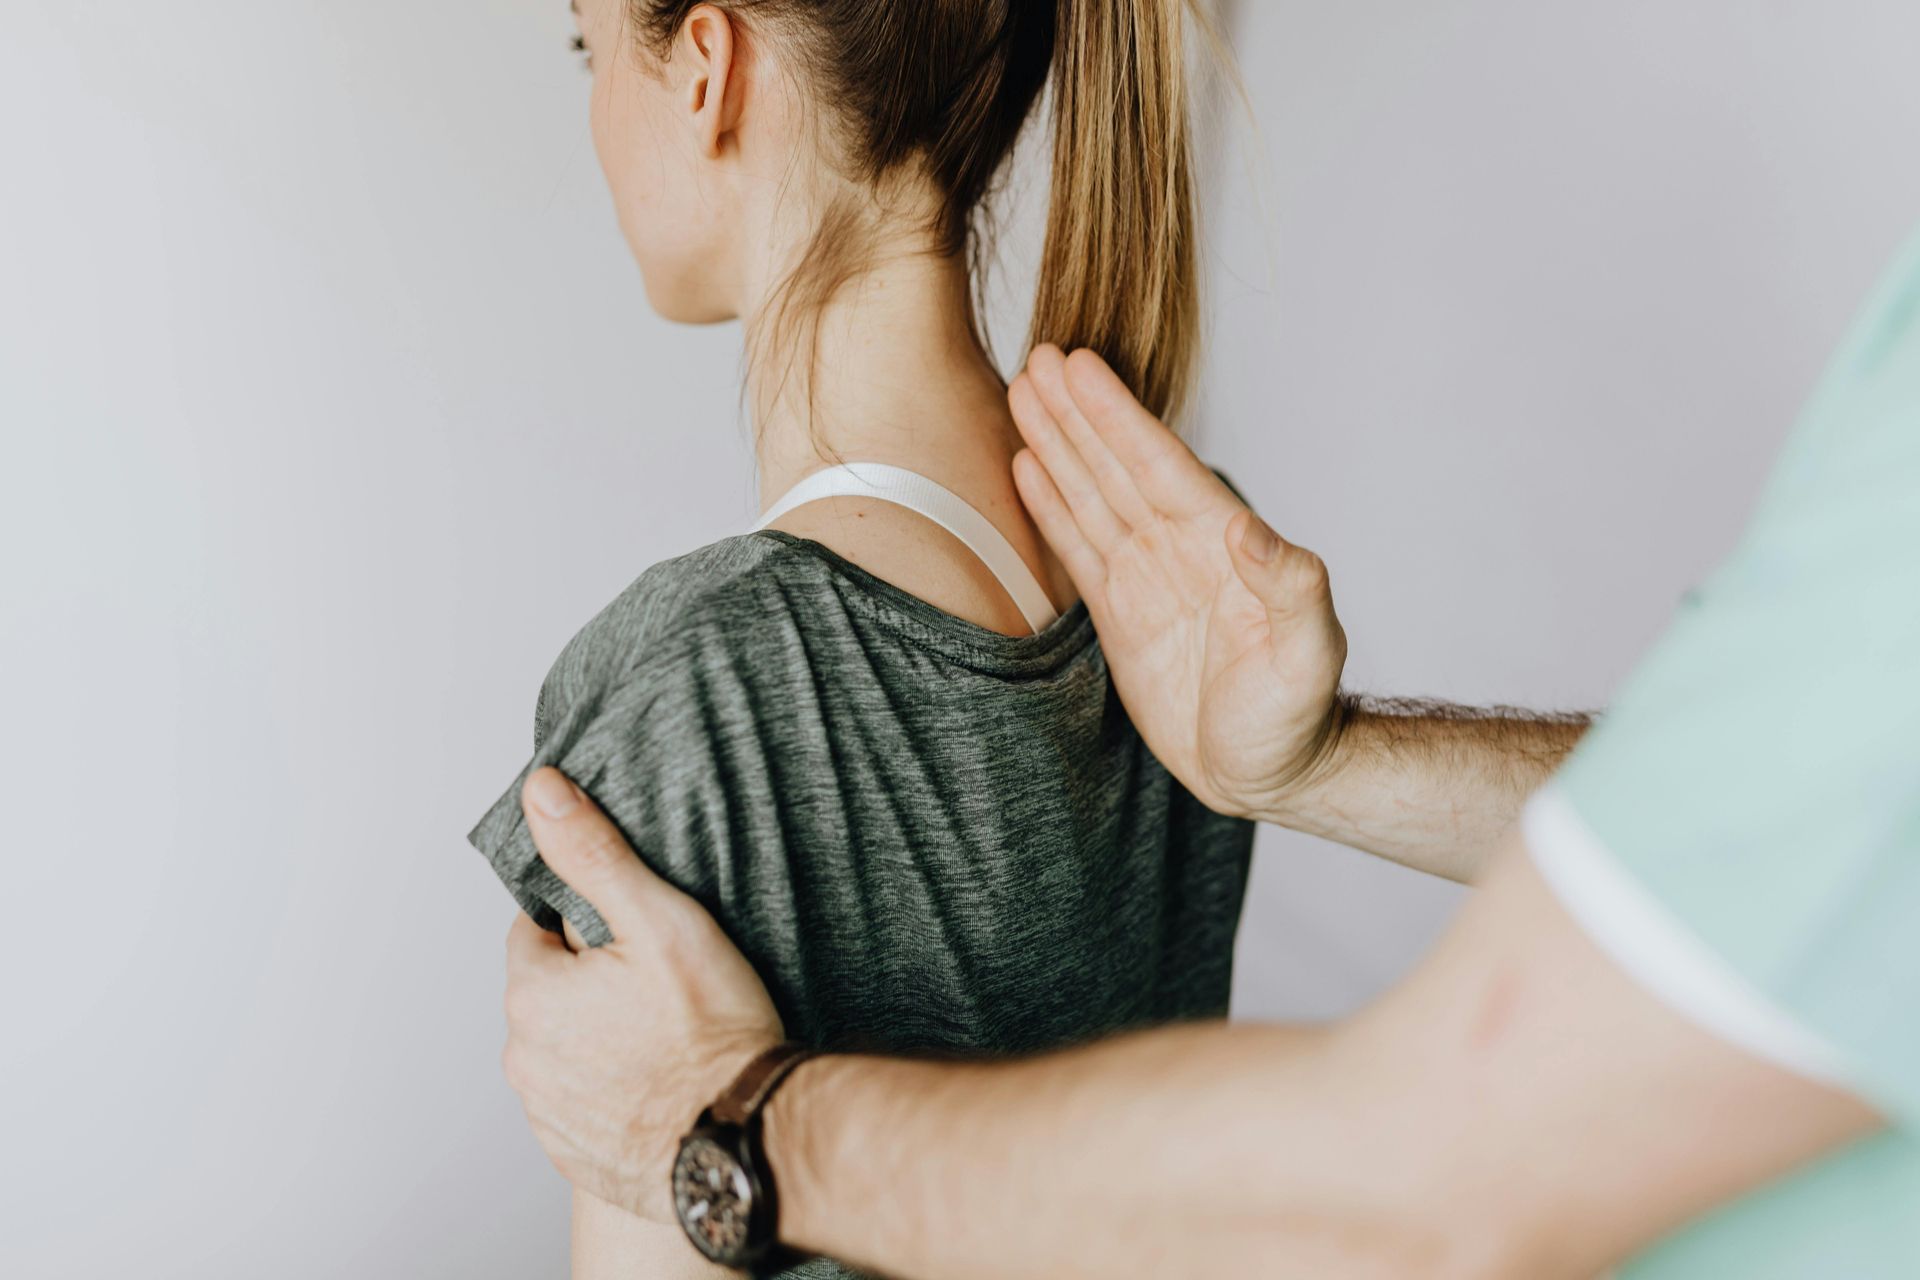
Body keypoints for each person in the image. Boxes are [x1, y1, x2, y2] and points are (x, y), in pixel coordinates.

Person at [498, 223, 1920, 1277]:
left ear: (708, 67)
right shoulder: (1128, 608)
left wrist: (735, 1123)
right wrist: (1319, 763)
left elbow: (1425, 1187)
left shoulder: (697, 673)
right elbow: (1795, 832)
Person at [471, 3, 1576, 1276]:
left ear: (708, 70)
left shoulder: (698, 684)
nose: (589, 97)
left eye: (587, 48)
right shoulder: (1166, 585)